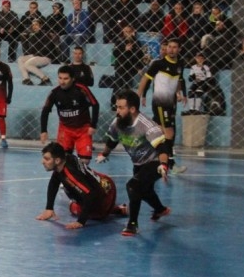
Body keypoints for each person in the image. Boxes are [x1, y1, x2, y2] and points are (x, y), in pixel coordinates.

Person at [95, 89, 172, 236]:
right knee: (145, 191)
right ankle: (161, 209)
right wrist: (104, 153)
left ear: (132, 109)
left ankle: (132, 224)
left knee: (133, 186)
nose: (117, 111)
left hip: (154, 162)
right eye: (117, 107)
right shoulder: (117, 122)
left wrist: (163, 165)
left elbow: (163, 148)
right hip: (138, 164)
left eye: (121, 107)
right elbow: (112, 139)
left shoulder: (146, 125)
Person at [36, 142, 128, 229]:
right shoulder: (65, 159)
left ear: (57, 160)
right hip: (105, 182)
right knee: (70, 190)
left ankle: (113, 210)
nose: (42, 162)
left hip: (105, 196)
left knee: (74, 207)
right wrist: (49, 208)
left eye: (47, 159)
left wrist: (81, 221)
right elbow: (54, 182)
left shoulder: (70, 174)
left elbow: (90, 195)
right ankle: (114, 209)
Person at [137, 38, 187, 172]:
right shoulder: (158, 64)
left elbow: (178, 80)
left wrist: (180, 93)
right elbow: (145, 79)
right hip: (160, 103)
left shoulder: (180, 64)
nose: (171, 49)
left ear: (179, 49)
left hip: (171, 102)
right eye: (169, 47)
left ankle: (154, 156)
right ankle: (171, 162)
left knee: (159, 131)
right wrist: (139, 95)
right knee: (169, 132)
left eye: (174, 47)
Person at [40, 65, 99, 164]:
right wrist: (43, 131)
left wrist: (93, 125)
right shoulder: (54, 93)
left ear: (73, 79)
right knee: (61, 159)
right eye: (60, 78)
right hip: (65, 129)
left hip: (83, 129)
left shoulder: (81, 89)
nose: (62, 82)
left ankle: (80, 177)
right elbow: (45, 111)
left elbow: (95, 104)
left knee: (85, 161)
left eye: (66, 79)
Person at [18, 19, 53, 86]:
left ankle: (45, 79)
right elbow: (28, 52)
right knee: (20, 59)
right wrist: (24, 39)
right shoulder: (32, 35)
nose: (34, 26)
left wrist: (34, 55)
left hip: (45, 57)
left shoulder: (45, 34)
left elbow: (46, 49)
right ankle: (26, 79)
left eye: (36, 24)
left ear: (41, 26)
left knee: (27, 64)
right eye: (33, 25)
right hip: (35, 56)